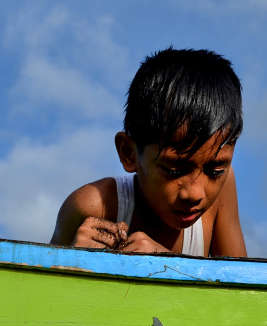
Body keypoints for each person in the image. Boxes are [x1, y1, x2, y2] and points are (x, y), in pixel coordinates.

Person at [51, 48, 247, 257]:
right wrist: (73, 262)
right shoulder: (93, 207)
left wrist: (168, 264)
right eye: (173, 170)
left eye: (215, 171)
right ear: (129, 153)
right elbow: (42, 283)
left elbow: (243, 285)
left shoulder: (223, 190)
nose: (195, 194)